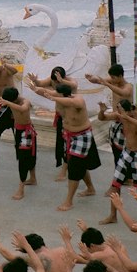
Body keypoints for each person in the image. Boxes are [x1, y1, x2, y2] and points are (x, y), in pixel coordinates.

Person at [26, 75, 99, 210]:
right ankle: (90, 188)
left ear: (65, 95)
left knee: (74, 166)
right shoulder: (58, 97)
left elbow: (72, 103)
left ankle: (69, 201)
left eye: (57, 95)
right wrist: (35, 87)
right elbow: (45, 92)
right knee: (77, 164)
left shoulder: (77, 100)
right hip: (69, 135)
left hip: (82, 136)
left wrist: (53, 98)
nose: (54, 96)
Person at [99, 99, 137, 225]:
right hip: (127, 152)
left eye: (120, 108)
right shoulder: (119, 116)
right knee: (115, 184)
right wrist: (101, 111)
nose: (118, 111)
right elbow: (103, 118)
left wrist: (127, 118)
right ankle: (113, 215)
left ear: (127, 110)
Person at [0, 86, 37, 200]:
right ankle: (32, 179)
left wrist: (8, 103)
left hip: (26, 132)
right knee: (23, 157)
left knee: (25, 159)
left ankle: (21, 188)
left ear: (14, 99)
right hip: (19, 130)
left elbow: (23, 109)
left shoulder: (25, 101)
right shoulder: (9, 100)